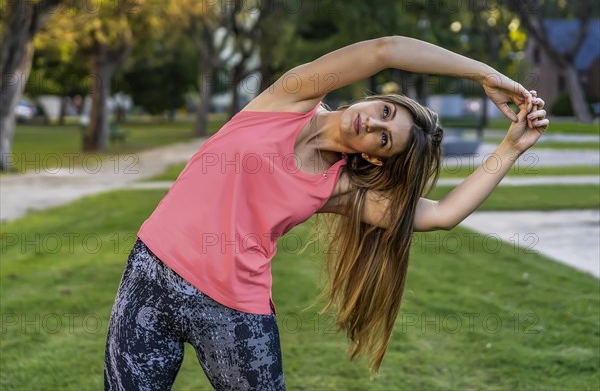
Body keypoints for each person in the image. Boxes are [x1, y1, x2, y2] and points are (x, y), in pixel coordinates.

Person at [104, 36, 548, 390]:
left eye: (383, 139)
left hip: (233, 309)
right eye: (385, 112)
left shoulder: (337, 187)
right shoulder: (289, 98)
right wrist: (485, 73)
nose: (373, 124)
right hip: (150, 275)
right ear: (377, 99)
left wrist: (510, 148)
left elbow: (441, 214)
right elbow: (385, 50)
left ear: (375, 158)